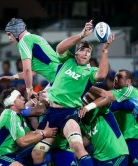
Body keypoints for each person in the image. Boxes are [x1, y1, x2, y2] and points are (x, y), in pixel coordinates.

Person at [32, 27, 115, 165]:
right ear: (75, 53)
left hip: (68, 113)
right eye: (82, 50)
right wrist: (81, 35)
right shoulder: (67, 60)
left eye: (88, 52)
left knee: (78, 147)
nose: (85, 53)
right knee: (37, 152)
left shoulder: (89, 71)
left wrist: (105, 51)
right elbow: (59, 48)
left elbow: (101, 75)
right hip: (51, 113)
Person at [0, 18, 94, 99]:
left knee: (33, 107)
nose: (9, 38)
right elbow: (36, 71)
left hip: (59, 80)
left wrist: (29, 90)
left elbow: (27, 70)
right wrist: (13, 77)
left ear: (15, 32)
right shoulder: (35, 38)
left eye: (9, 34)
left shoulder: (23, 42)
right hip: (62, 76)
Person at [82, 69, 138, 166]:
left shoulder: (131, 90)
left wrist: (85, 84)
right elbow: (99, 101)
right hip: (123, 142)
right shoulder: (116, 97)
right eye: (115, 77)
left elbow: (105, 95)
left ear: (128, 82)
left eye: (119, 77)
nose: (116, 79)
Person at [0, 87, 57, 166]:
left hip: (11, 155)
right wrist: (44, 133)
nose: (23, 98)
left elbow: (28, 134)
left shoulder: (18, 115)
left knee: (39, 150)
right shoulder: (10, 116)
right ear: (12, 102)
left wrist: (42, 133)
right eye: (19, 97)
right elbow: (22, 142)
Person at [79, 93, 129, 165]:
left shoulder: (101, 111)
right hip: (98, 158)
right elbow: (87, 139)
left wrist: (88, 107)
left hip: (116, 154)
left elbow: (106, 99)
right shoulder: (81, 123)